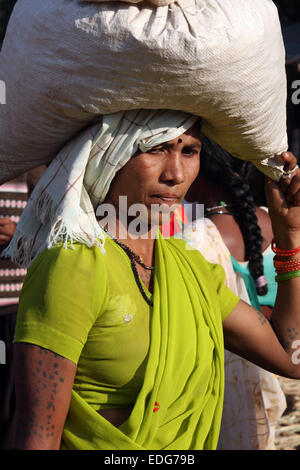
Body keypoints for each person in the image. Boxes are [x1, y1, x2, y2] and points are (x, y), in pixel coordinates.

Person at [5, 110, 300, 450]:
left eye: (189, 151)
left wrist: (289, 236)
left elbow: (290, 358)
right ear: (111, 154)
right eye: (155, 148)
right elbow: (37, 437)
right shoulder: (73, 267)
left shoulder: (191, 268)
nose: (175, 174)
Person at [184, 138, 288, 449]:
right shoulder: (278, 224)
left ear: (200, 171)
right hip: (277, 385)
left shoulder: (195, 239)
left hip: (229, 395)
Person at [0, 168, 45, 449]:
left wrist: (18, 236)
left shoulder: (34, 170)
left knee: (8, 403)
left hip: (15, 310)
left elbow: (53, 240)